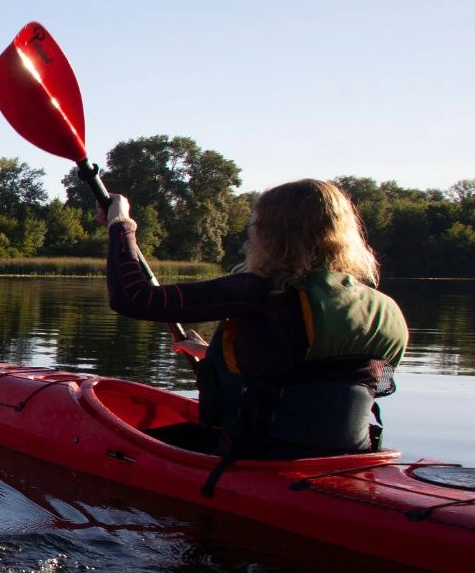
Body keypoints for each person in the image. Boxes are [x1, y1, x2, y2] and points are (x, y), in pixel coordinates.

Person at [104, 179, 408, 459]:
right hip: (352, 457)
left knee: (117, 446)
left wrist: (120, 223)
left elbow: (134, 297)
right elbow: (326, 372)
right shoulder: (384, 308)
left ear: (269, 233)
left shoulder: (263, 292)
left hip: (260, 456)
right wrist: (213, 353)